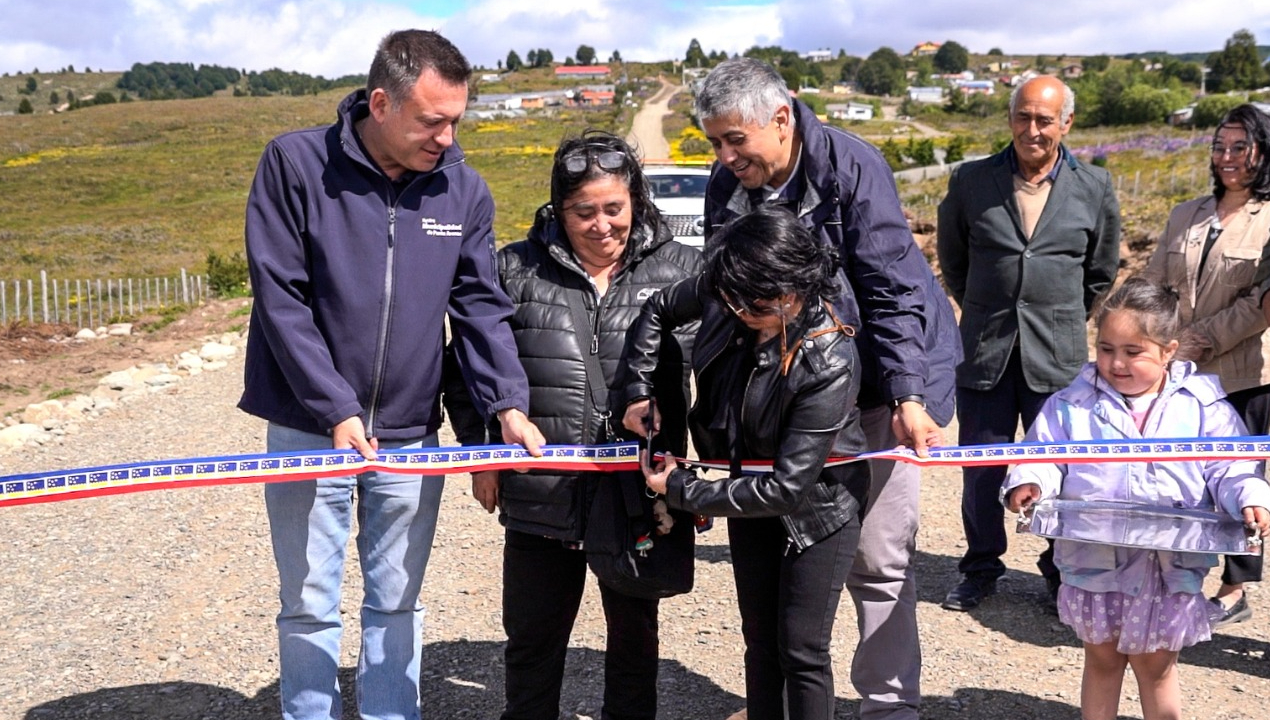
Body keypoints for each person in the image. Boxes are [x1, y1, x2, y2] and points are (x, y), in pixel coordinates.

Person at [238, 29, 544, 720]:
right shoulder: (294, 164)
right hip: (308, 427)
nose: (446, 137)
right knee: (310, 604)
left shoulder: (463, 191)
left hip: (409, 435)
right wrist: (334, 408)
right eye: (431, 121)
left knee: (397, 601)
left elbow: (480, 308)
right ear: (381, 102)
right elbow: (280, 298)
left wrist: (507, 404)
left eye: (456, 120)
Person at [694, 56, 961, 720]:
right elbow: (722, 298)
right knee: (783, 554)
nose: (725, 157)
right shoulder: (724, 186)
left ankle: (888, 706)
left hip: (876, 389)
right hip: (785, 396)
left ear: (780, 119)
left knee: (877, 559)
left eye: (736, 140)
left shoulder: (851, 169)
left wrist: (907, 396)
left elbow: (895, 290)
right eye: (714, 143)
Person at [444, 130, 701, 720]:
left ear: (636, 199)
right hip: (541, 489)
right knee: (533, 643)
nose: (601, 224)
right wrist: (482, 454)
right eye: (583, 212)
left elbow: (717, 370)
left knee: (635, 640)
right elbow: (464, 367)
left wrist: (701, 466)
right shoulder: (511, 271)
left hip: (639, 495)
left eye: (614, 208)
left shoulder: (685, 271)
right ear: (558, 210)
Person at [626, 205, 869, 720]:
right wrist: (638, 390)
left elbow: (786, 491)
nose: (731, 310)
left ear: (787, 293)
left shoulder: (831, 361)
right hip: (746, 486)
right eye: (726, 298)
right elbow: (656, 311)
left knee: (802, 650)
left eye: (747, 305)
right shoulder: (730, 285)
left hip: (818, 507)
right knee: (758, 639)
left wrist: (682, 488)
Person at [1002, 277, 1270, 720]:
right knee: (1102, 660)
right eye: (1106, 349)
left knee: (1157, 666)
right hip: (1094, 564)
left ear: (1169, 351)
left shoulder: (1204, 407)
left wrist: (1249, 495)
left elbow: (1231, 466)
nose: (1116, 363)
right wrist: (1030, 480)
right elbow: (1043, 455)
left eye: (1133, 352)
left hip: (1169, 568)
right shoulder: (1071, 404)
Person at [936, 74, 1121, 613]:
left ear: (1066, 123)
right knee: (981, 468)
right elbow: (955, 263)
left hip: (1056, 356)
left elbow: (1100, 271)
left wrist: (1059, 316)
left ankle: (1058, 572)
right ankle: (979, 567)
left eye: (1045, 119)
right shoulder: (971, 180)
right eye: (1023, 116)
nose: (1032, 129)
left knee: (1061, 471)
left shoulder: (1094, 186)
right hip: (986, 352)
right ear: (1010, 118)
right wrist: (989, 308)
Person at [1141, 102, 1270, 627]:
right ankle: (1178, 577)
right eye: (1220, 146)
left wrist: (1200, 340)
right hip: (1179, 374)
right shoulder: (1185, 214)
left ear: (1263, 151)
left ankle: (1236, 586)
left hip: (1243, 375)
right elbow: (1152, 282)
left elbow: (1262, 304)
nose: (1227, 157)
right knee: (1184, 478)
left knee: (1241, 481)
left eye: (1241, 147)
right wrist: (1145, 339)